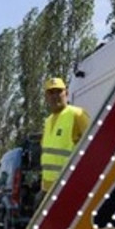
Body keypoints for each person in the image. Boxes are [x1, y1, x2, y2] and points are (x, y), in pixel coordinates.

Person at [37, 77, 91, 205]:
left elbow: (93, 147)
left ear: (66, 93)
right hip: (48, 190)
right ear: (46, 97)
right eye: (51, 92)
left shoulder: (77, 115)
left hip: (69, 187)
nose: (55, 96)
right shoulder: (48, 121)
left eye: (58, 91)